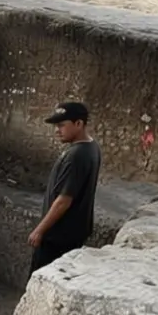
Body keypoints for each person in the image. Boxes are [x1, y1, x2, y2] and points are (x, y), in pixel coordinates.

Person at [29, 101, 102, 272]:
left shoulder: (77, 155)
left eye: (62, 125)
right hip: (72, 233)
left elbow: (64, 200)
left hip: (59, 236)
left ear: (79, 124)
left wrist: (39, 230)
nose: (57, 130)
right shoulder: (92, 147)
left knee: (42, 280)